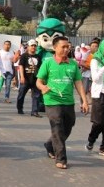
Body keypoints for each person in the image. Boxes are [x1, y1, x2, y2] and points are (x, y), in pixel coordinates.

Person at [36, 36, 89, 169]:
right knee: (58, 127)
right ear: (55, 48)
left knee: (68, 126)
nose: (66, 49)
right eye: (63, 47)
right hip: (52, 101)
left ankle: (50, 144)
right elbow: (39, 81)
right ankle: (61, 158)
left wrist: (84, 101)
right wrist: (43, 88)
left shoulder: (72, 64)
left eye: (68, 46)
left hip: (68, 102)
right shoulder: (48, 63)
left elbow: (78, 83)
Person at [85, 39, 104, 158]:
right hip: (99, 94)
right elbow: (95, 78)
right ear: (102, 49)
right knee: (99, 122)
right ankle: (91, 140)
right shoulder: (95, 60)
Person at [16, 39, 42, 117]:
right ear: (28, 46)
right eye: (32, 46)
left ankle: (34, 111)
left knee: (36, 96)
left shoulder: (38, 56)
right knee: (21, 94)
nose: (33, 47)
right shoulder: (24, 56)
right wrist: (22, 77)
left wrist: (41, 79)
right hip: (26, 79)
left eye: (35, 46)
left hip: (35, 79)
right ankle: (19, 108)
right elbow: (21, 66)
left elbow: (40, 68)